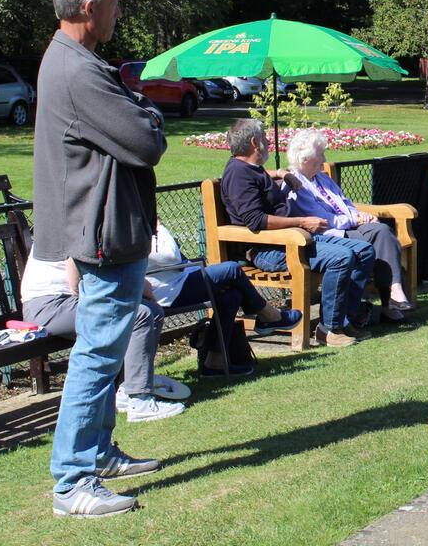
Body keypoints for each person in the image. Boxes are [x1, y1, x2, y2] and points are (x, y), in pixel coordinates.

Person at [35, 0, 167, 517]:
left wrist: (138, 108)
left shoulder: (76, 61)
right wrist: (144, 109)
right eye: (114, 4)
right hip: (104, 232)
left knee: (105, 349)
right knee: (96, 355)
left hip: (107, 227)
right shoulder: (79, 71)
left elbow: (136, 124)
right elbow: (146, 141)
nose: (119, 14)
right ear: (89, 7)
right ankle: (72, 481)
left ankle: (99, 453)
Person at [220, 118, 374, 348]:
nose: (268, 142)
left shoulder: (249, 168)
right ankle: (328, 329)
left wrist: (281, 173)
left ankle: (344, 320)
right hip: (271, 249)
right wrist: (302, 221)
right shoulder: (238, 174)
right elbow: (255, 220)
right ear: (254, 143)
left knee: (365, 251)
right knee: (342, 257)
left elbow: (258, 175)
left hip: (292, 240)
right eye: (265, 138)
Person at [21, 251, 185, 424]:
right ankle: (140, 401)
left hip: (69, 300)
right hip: (51, 306)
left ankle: (125, 392)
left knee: (153, 311)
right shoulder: (75, 232)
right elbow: (76, 281)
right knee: (139, 315)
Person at [283, 130, 413, 321]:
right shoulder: (296, 184)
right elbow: (322, 220)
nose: (324, 159)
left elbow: (345, 202)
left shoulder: (322, 178)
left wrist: (361, 215)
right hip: (327, 236)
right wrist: (355, 220)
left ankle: (393, 295)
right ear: (305, 159)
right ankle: (386, 301)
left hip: (347, 227)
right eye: (320, 155)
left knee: (383, 231)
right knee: (376, 240)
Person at [145, 222, 302, 375]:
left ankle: (215, 362)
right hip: (167, 291)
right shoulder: (137, 224)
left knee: (231, 295)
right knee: (231, 270)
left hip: (178, 279)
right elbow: (170, 256)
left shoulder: (141, 220)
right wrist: (159, 226)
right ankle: (269, 316)